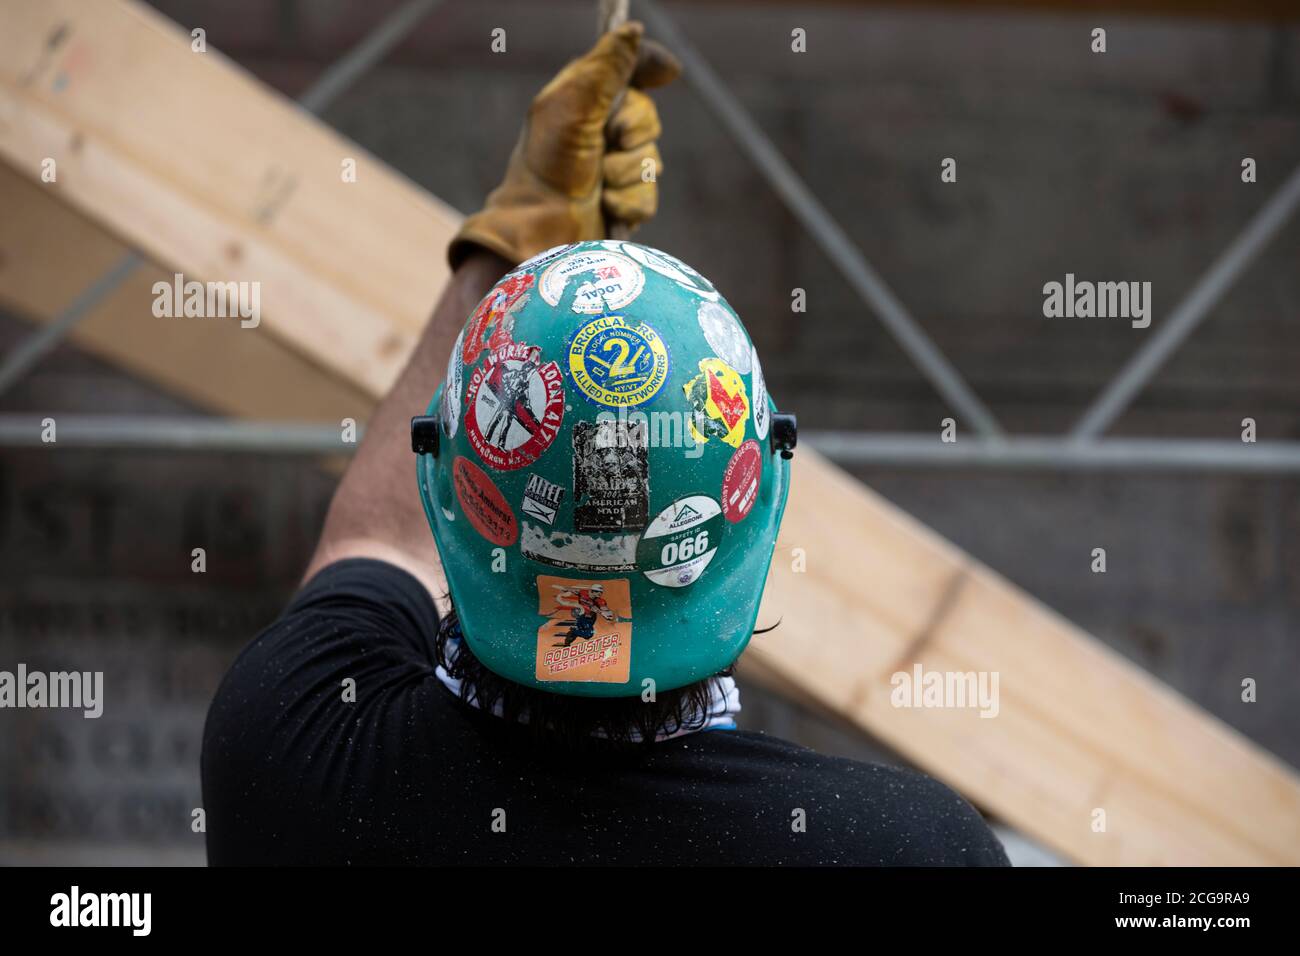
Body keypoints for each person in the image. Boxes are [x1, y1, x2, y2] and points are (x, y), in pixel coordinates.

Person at [201, 22, 1009, 867]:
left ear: (446, 479)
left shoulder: (291, 755)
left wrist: (515, 240)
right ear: (762, 491)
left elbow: (375, 541)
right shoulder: (902, 851)